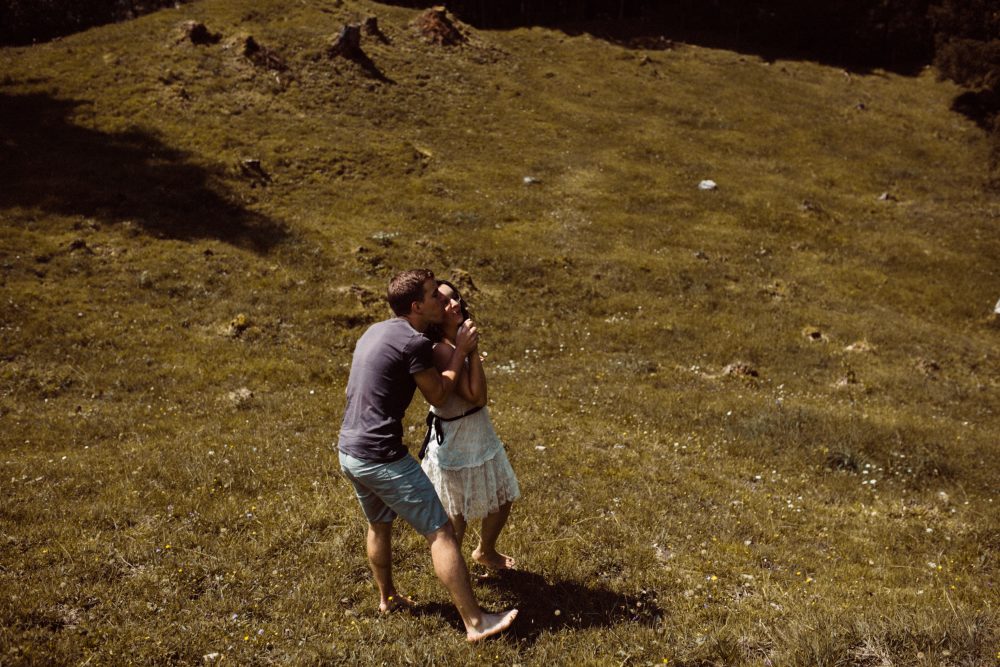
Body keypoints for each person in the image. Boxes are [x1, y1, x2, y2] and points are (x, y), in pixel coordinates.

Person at [337, 269, 517, 642]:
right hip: (381, 454)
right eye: (435, 296)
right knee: (442, 534)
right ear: (417, 306)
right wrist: (462, 354)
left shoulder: (375, 331)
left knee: (379, 525)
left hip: (349, 451)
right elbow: (438, 395)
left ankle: (387, 597)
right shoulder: (414, 343)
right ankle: (476, 622)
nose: (444, 301)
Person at [420, 280, 520, 573]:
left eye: (456, 298)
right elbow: (478, 395)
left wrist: (469, 350)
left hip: (478, 429)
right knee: (456, 513)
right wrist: (469, 351)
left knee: (502, 496)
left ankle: (486, 551)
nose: (454, 305)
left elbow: (479, 397)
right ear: (434, 312)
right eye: (444, 302)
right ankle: (453, 569)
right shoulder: (439, 350)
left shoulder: (458, 344)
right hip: (456, 436)